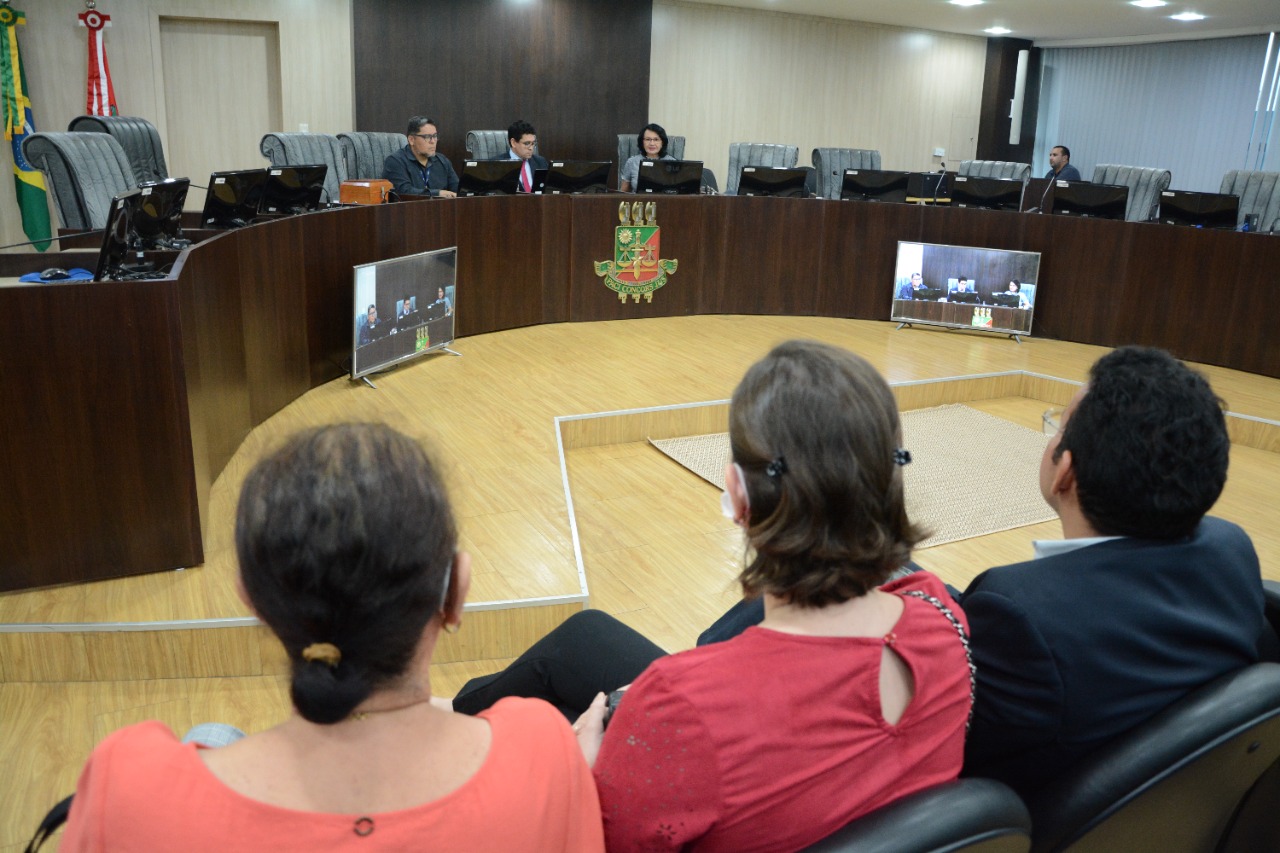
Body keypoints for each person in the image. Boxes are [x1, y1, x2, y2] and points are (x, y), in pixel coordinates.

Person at [446, 340, 974, 852]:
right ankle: (454, 713)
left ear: (737, 496)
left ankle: (446, 728)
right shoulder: (942, 619)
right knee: (587, 638)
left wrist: (582, 779)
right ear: (889, 481)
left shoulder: (680, 704)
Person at [59, 424, 605, 852]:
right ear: (455, 591)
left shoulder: (129, 788)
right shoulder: (545, 752)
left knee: (212, 734)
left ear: (251, 597)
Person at [960, 347, 1265, 798]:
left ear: (1065, 471)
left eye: (1058, 428)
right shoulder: (1231, 548)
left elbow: (954, 752)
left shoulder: (1018, 615)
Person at [382, 116, 460, 198]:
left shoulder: (442, 161)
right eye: (427, 137)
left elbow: (457, 189)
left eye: (435, 136)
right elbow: (403, 192)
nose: (433, 141)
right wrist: (438, 193)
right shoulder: (395, 162)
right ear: (411, 140)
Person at [619, 123, 676, 192]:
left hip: (664, 202)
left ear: (662, 142)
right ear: (642, 142)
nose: (652, 143)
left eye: (656, 139)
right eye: (648, 139)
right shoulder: (632, 162)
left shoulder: (673, 163)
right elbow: (623, 192)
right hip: (638, 202)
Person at [507, 119, 549, 194]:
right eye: (527, 143)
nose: (531, 148)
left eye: (533, 143)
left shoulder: (541, 162)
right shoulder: (497, 165)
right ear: (513, 142)